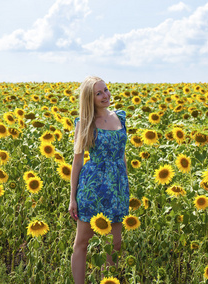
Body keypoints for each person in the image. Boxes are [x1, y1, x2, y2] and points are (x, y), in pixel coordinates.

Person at [68, 76, 129, 283]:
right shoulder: (85, 123)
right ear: (90, 98)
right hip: (92, 187)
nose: (105, 95)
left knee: (116, 244)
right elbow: (77, 162)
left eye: (106, 90)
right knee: (82, 242)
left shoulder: (120, 118)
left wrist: (125, 185)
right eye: (99, 93)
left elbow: (122, 155)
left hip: (118, 186)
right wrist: (72, 198)